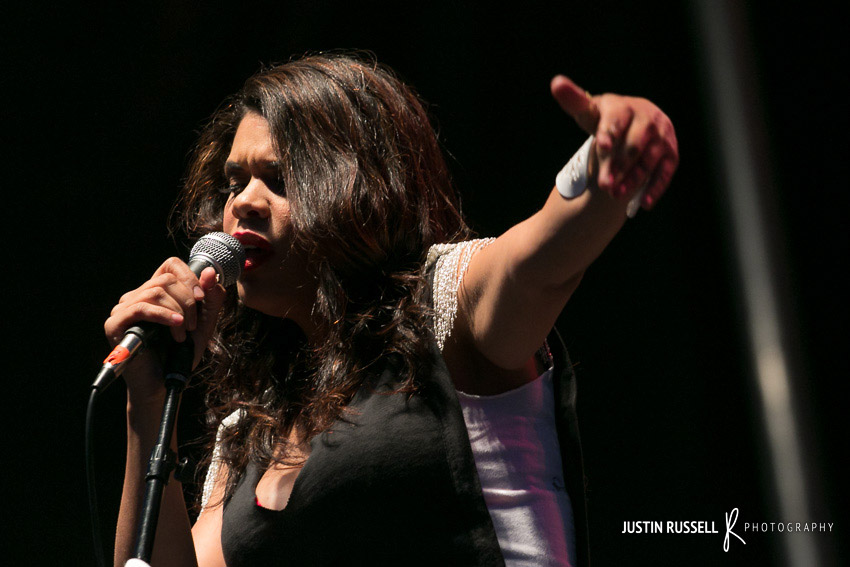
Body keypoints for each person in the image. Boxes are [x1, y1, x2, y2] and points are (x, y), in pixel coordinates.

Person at [105, 53, 678, 567]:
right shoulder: (248, 431)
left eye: (280, 180)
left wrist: (606, 167)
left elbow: (542, 257)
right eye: (235, 181)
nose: (244, 202)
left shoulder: (444, 302)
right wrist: (148, 404)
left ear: (358, 185)